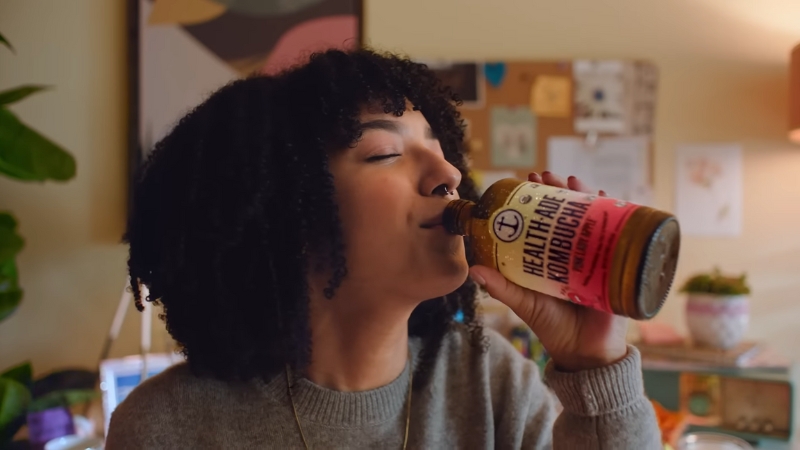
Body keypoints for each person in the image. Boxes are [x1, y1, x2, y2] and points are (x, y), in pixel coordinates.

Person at [106, 49, 660, 449]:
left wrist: (596, 367)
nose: (448, 175)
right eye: (385, 153)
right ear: (288, 211)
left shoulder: (489, 384)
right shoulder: (167, 427)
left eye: (441, 150)